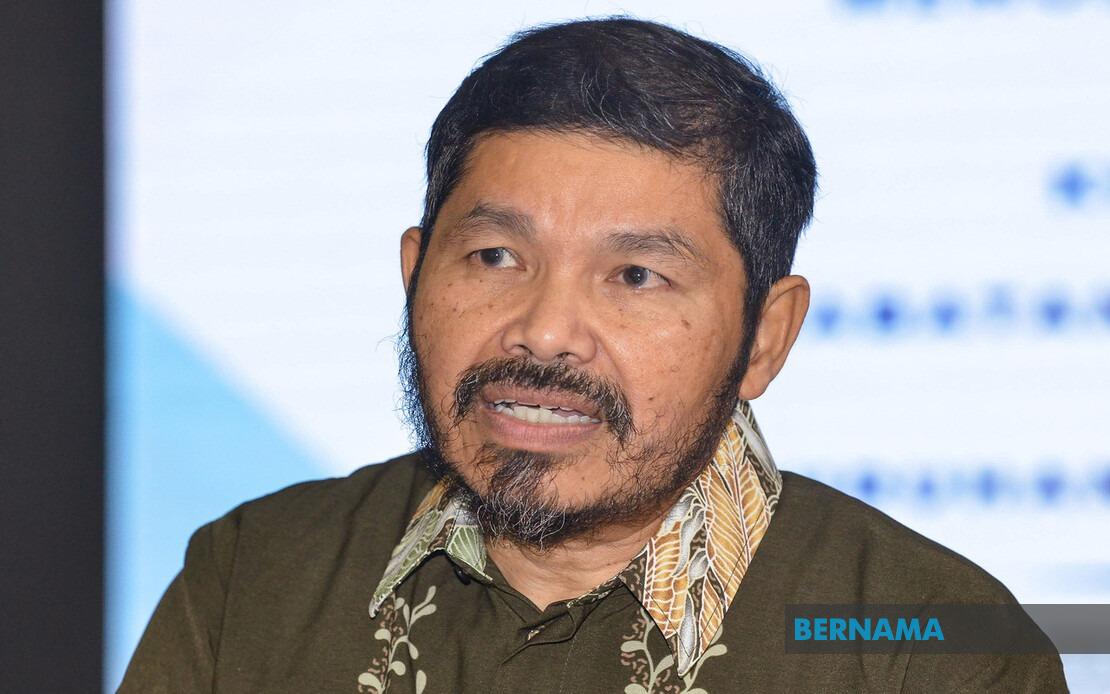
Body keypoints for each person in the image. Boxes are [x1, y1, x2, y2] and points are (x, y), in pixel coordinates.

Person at [120, 17, 1066, 693]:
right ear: (414, 275)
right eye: (495, 257)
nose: (544, 330)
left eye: (636, 276)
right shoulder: (253, 576)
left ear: (764, 337)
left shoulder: (928, 644)